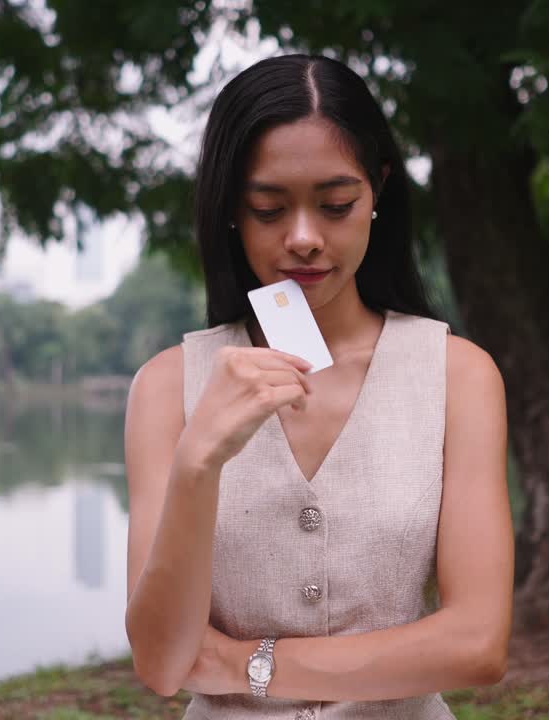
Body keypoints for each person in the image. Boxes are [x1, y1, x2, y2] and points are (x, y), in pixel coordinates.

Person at [124, 53, 513, 719]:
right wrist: (198, 461)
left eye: (336, 205)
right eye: (269, 208)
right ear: (230, 210)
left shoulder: (457, 375)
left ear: (377, 193)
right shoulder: (168, 388)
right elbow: (163, 662)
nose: (304, 238)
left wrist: (243, 663)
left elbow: (477, 643)